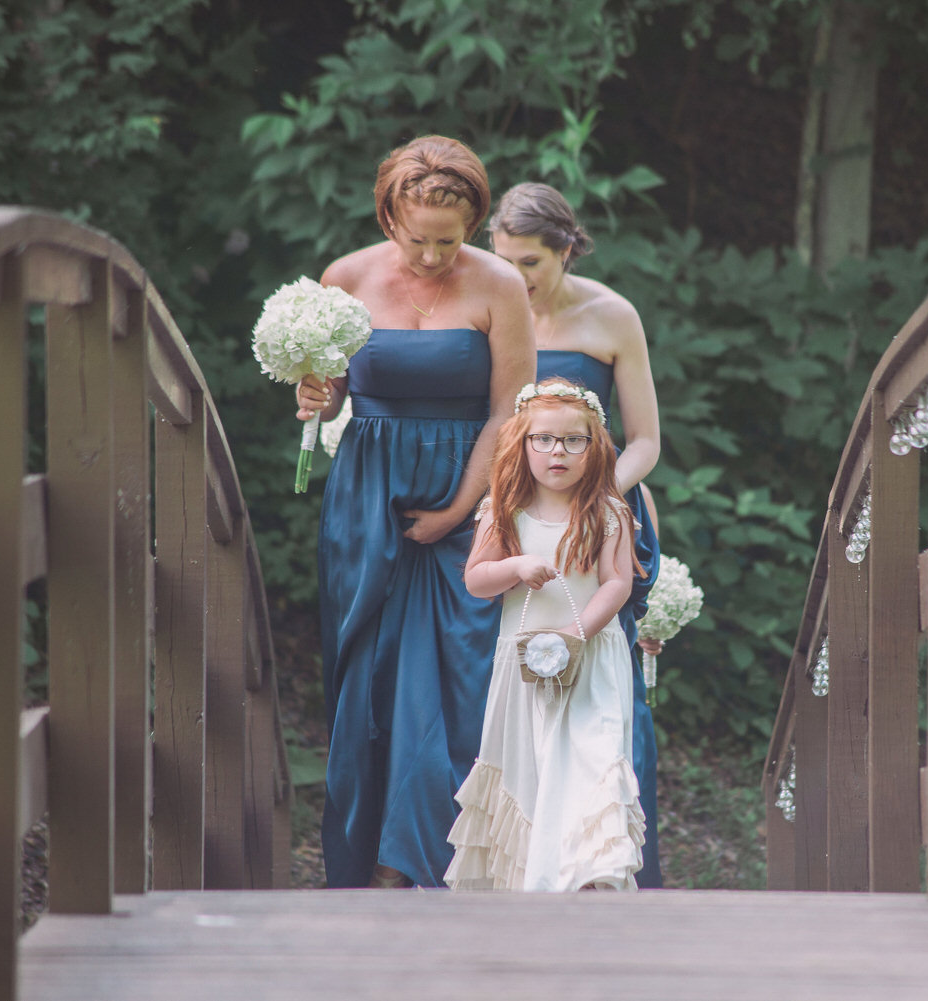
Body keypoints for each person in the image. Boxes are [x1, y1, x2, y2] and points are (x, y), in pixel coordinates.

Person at [294, 135, 533, 888]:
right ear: (390, 215)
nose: (433, 257)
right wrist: (313, 394)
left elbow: (510, 411)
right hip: (368, 499)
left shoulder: (499, 286)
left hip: (472, 497)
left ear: (474, 224)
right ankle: (368, 863)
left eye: (450, 242)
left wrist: (462, 508)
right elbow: (333, 389)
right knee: (367, 676)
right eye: (418, 240)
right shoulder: (346, 276)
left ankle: (432, 865)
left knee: (454, 683)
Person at [487, 183, 666, 886]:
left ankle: (612, 863)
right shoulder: (493, 310)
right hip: (519, 519)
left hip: (605, 512)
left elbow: (646, 439)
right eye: (502, 261)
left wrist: (598, 499)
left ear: (565, 248)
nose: (515, 277)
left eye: (528, 262)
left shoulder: (613, 315)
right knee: (516, 676)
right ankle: (527, 860)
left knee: (605, 679)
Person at [445, 378, 646, 891]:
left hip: (589, 658)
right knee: (531, 765)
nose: (559, 451)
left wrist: (575, 631)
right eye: (545, 439)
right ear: (523, 444)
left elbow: (617, 582)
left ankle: (592, 876)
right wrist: (515, 564)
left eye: (574, 440)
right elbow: (476, 580)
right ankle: (535, 879)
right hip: (526, 663)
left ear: (593, 447)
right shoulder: (502, 511)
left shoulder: (607, 512)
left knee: (591, 755)